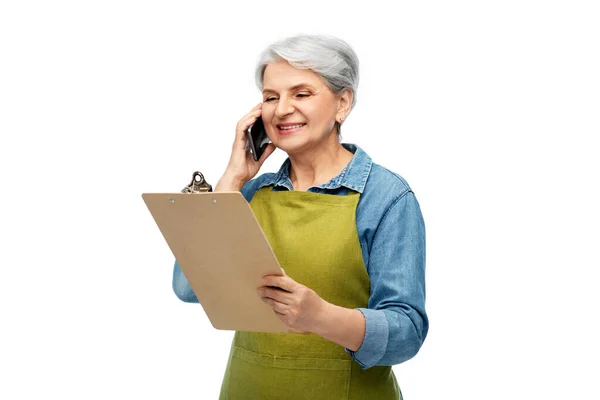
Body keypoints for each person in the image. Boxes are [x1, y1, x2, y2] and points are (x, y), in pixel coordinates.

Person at [172, 34, 428, 400]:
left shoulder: (385, 197)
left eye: (301, 94)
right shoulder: (251, 193)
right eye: (271, 97)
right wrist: (231, 179)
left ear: (342, 103)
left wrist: (320, 317)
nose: (281, 109)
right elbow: (187, 288)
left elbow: (407, 332)